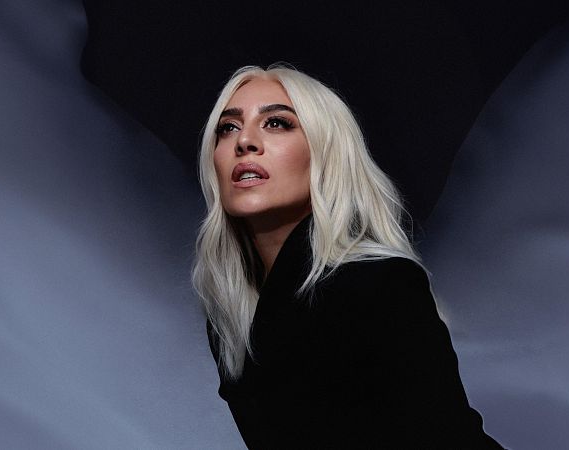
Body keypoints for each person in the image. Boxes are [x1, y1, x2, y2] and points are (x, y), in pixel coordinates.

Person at [192, 64, 502, 449]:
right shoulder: (231, 319)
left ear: (325, 154)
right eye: (228, 127)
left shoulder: (378, 284)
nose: (245, 141)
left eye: (276, 123)